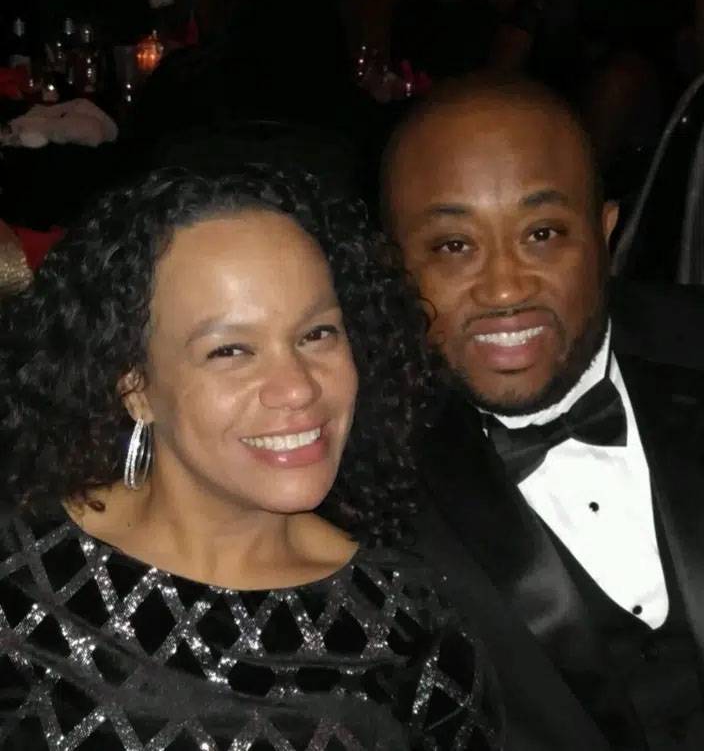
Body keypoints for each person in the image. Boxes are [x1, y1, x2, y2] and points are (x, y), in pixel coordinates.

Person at [0, 165, 505, 749]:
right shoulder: (19, 571)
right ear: (136, 385)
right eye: (231, 350)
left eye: (317, 334)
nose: (297, 388)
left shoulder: (412, 626)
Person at [381, 75, 704, 750]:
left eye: (543, 232)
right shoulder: (367, 475)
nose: (503, 286)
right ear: (392, 265)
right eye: (453, 245)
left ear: (606, 234)